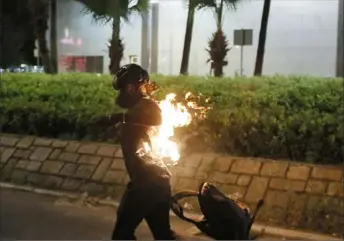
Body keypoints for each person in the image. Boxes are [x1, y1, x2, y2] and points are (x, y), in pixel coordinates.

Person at [95, 64, 178, 240]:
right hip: (158, 182)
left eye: (126, 87)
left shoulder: (147, 106)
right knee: (163, 235)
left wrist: (119, 118)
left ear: (134, 87)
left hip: (145, 184)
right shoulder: (141, 106)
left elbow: (156, 118)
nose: (123, 93)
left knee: (122, 235)